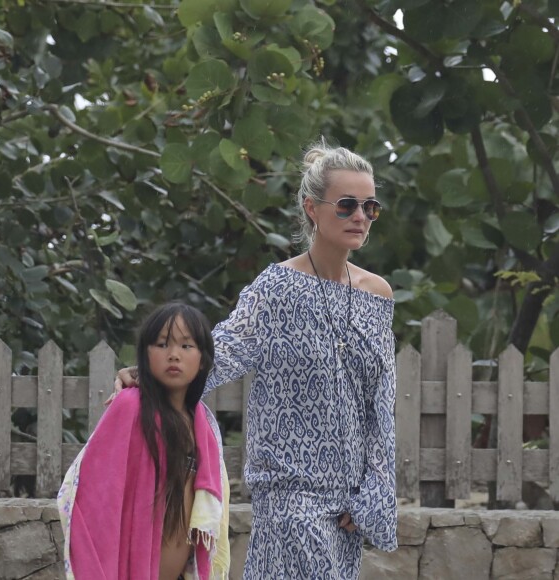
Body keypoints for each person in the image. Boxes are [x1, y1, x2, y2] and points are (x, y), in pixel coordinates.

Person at [115, 139, 397, 579]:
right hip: (288, 495)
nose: (360, 217)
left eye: (370, 207)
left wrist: (372, 495)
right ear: (312, 207)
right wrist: (153, 377)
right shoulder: (276, 289)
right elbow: (222, 350)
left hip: (347, 504)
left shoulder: (378, 295)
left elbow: (381, 403)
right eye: (346, 205)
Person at [58, 303, 230, 580]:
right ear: (145, 354)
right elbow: (96, 501)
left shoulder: (200, 422)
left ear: (203, 360)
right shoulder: (130, 407)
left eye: (186, 346)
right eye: (162, 344)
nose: (173, 354)